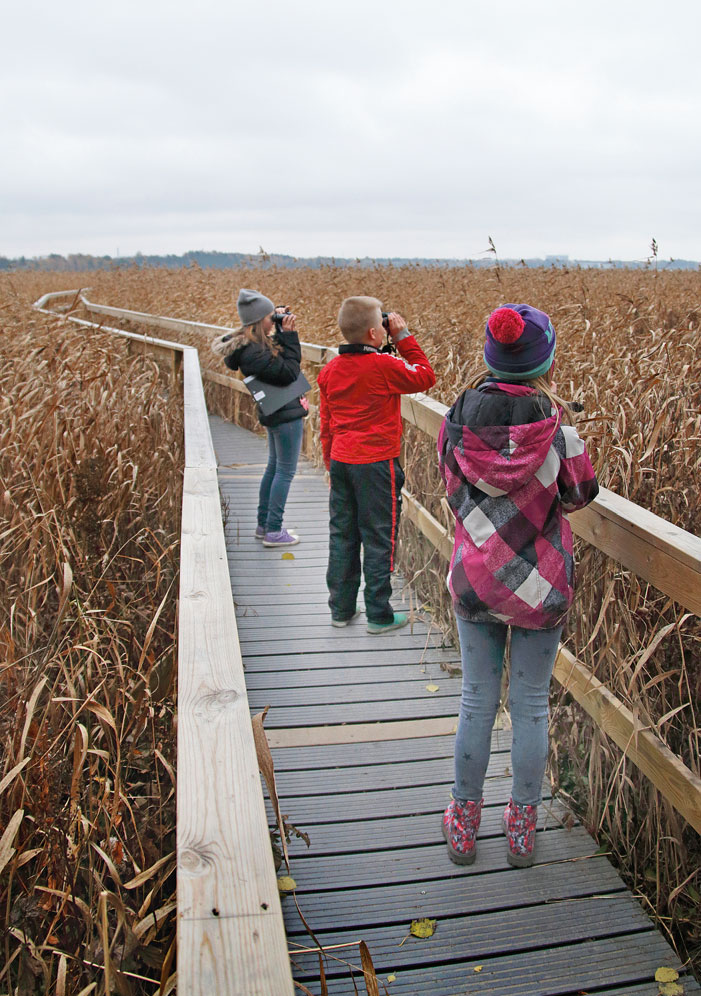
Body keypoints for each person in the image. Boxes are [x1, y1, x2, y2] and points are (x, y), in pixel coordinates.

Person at [438, 303, 599, 868]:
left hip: (476, 581)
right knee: (531, 706)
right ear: (545, 362)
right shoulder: (561, 436)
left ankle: (463, 821)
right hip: (539, 590)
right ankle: (522, 827)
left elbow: (449, 482)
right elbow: (581, 496)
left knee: (476, 700)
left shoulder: (455, 424)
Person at [318, 296, 436, 633]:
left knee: (342, 534)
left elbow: (326, 424)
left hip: (341, 460)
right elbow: (426, 376)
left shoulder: (330, 371)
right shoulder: (385, 367)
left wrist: (330, 465)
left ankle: (340, 610)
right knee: (379, 536)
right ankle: (379, 614)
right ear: (375, 332)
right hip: (376, 464)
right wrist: (403, 337)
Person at [214, 288, 308, 547]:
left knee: (274, 467)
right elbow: (289, 371)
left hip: (277, 411)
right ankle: (274, 531)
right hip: (284, 416)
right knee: (285, 471)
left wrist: (279, 331)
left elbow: (278, 369)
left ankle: (264, 524)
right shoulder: (255, 353)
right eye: (270, 317)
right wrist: (289, 335)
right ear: (258, 321)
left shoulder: (253, 347)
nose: (273, 321)